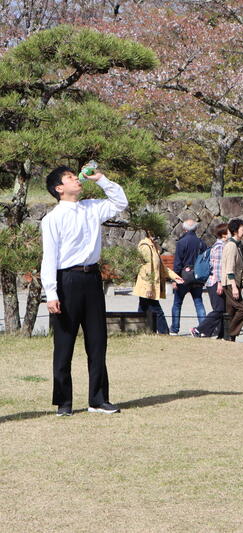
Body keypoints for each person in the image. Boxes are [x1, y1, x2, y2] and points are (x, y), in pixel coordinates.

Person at [41, 165, 128, 416]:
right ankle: (64, 403)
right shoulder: (53, 218)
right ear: (59, 188)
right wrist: (52, 293)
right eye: (70, 178)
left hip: (92, 278)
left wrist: (101, 179)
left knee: (98, 341)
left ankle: (98, 399)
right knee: (64, 344)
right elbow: (50, 257)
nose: (76, 180)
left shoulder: (92, 207)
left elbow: (120, 201)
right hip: (66, 280)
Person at [134, 230, 185, 334]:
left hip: (151, 283)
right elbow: (146, 268)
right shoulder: (146, 247)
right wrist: (148, 287)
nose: (156, 236)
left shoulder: (154, 246)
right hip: (147, 284)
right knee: (157, 310)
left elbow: (162, 267)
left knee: (143, 308)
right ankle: (164, 332)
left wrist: (175, 277)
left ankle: (140, 331)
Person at [192, 223, 229, 339]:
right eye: (229, 232)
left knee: (222, 310)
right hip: (215, 282)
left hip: (215, 282)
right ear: (223, 234)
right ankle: (199, 329)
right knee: (219, 309)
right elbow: (218, 267)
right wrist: (220, 284)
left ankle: (218, 334)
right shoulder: (220, 247)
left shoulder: (220, 246)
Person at [170, 219, 207, 335]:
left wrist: (175, 279)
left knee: (177, 303)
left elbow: (177, 263)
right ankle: (203, 328)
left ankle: (175, 329)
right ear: (195, 229)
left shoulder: (181, 242)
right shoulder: (201, 243)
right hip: (197, 277)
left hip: (183, 277)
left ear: (184, 229)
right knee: (199, 302)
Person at [221, 218, 243, 341]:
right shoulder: (232, 246)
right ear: (235, 231)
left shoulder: (237, 245)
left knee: (231, 311)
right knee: (242, 309)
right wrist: (234, 287)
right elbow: (229, 269)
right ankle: (229, 334)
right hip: (230, 283)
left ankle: (229, 339)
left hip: (233, 283)